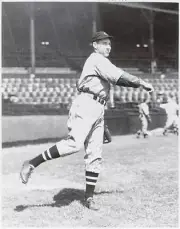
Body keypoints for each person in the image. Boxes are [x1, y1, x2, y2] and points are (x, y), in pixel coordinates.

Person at [20, 31, 154, 210]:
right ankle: (32, 163)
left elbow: (109, 83)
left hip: (98, 106)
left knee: (95, 154)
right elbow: (118, 76)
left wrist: (100, 118)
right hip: (86, 103)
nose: (108, 46)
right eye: (104, 43)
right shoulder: (96, 59)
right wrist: (140, 82)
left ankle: (89, 197)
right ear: (95, 45)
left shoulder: (101, 60)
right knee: (75, 144)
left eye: (109, 43)